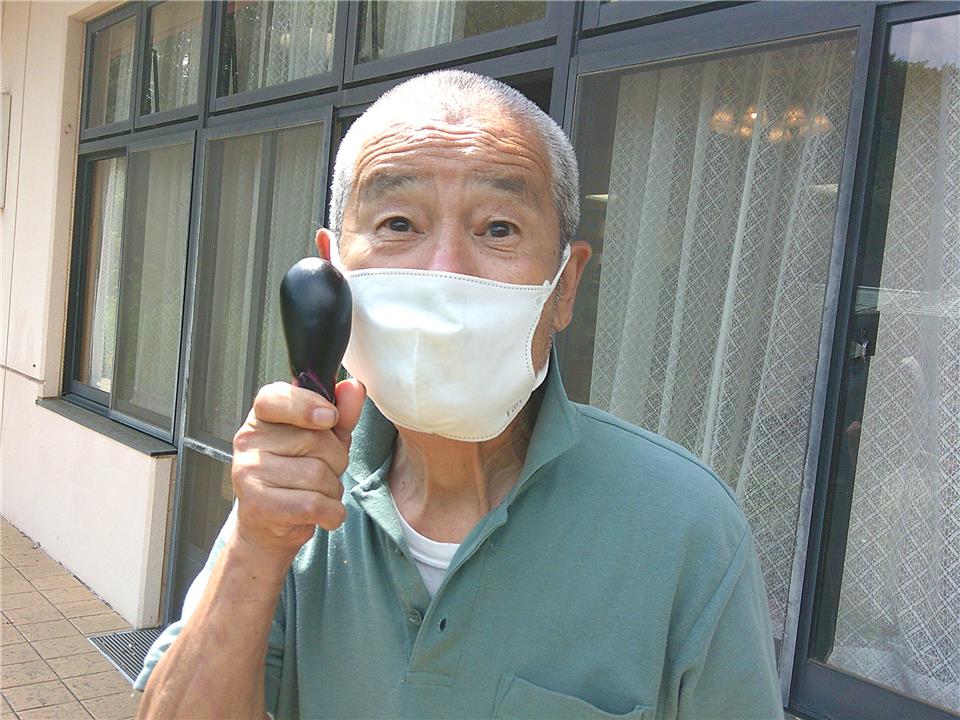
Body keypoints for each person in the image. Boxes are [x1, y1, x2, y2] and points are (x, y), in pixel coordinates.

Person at [135, 70, 783, 719]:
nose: (444, 273)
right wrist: (257, 542)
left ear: (564, 286)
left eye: (499, 229)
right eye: (397, 222)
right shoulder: (294, 492)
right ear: (333, 275)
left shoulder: (689, 530)